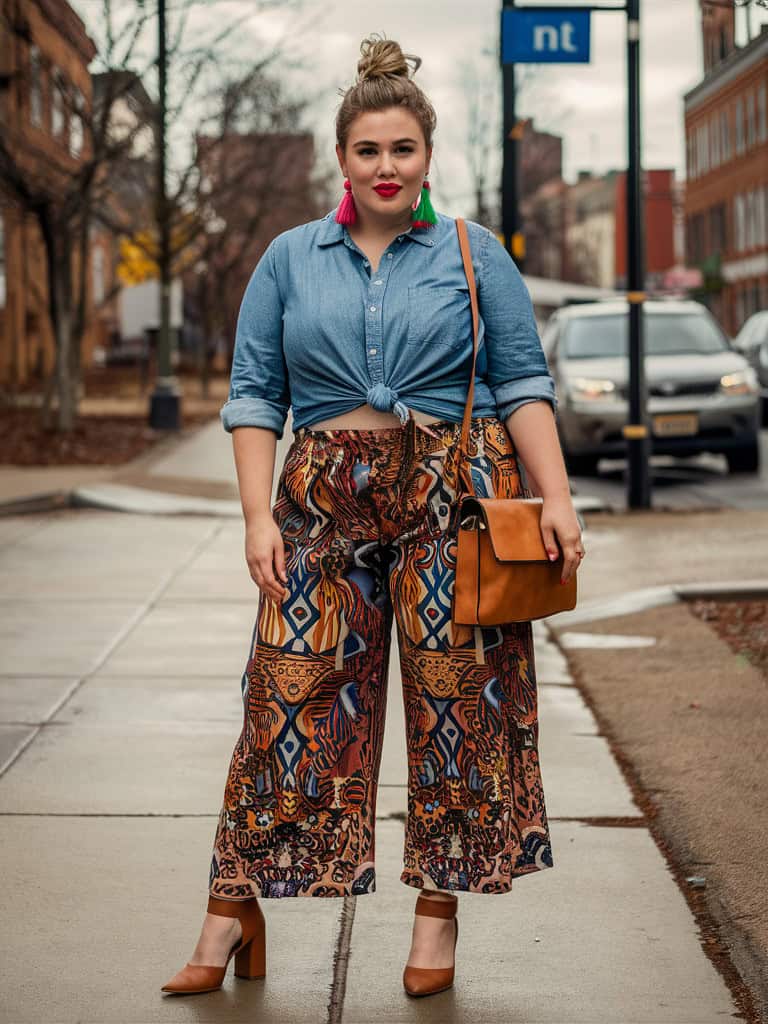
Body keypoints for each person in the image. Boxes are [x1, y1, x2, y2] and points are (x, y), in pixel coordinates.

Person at [161, 33, 585, 1000]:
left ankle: (438, 914)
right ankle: (233, 906)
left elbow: (522, 381)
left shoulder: (477, 254)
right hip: (319, 501)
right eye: (368, 151)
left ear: (427, 155)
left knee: (459, 709)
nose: (386, 167)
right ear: (340, 158)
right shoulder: (287, 259)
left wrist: (555, 495)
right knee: (287, 702)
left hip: (454, 500)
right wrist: (256, 517)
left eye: (403, 149)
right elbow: (255, 391)